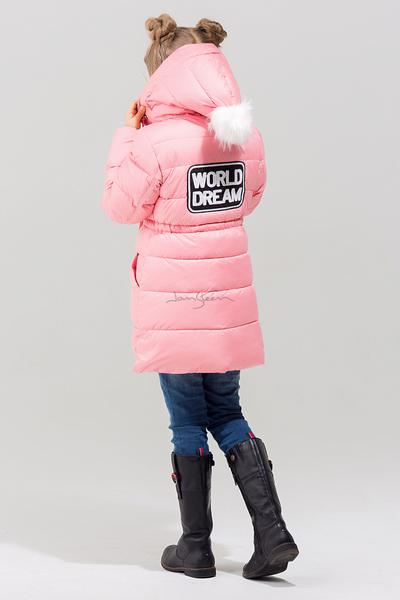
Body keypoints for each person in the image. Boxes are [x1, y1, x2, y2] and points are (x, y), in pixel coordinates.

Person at [101, 13, 299, 580]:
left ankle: (195, 547)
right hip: (226, 307)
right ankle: (273, 534)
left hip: (174, 309)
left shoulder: (155, 142)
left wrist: (127, 135)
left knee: (187, 419)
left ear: (163, 76)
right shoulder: (242, 134)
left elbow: (118, 206)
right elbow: (249, 198)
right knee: (228, 410)